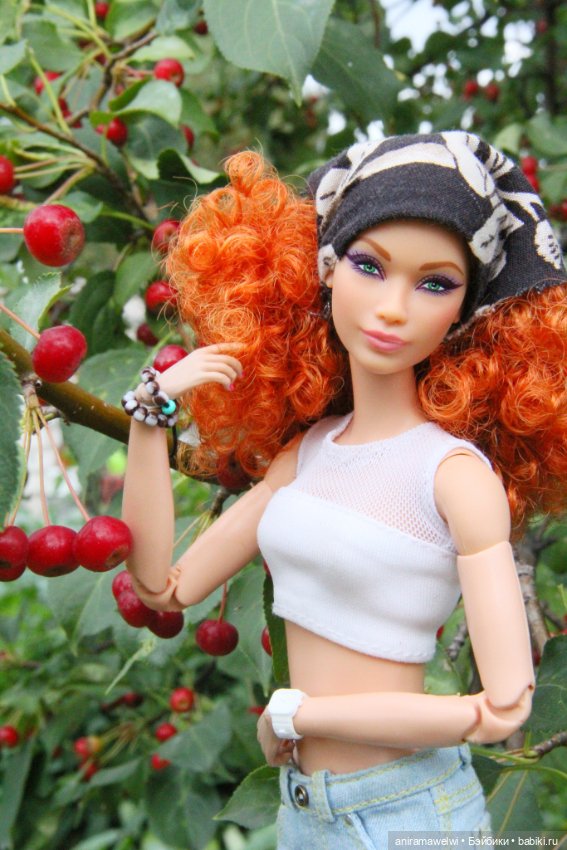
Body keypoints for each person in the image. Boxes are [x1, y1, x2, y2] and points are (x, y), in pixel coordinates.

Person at [121, 131, 567, 847]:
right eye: (369, 266)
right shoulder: (307, 454)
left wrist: (303, 714)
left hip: (413, 813)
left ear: (465, 311)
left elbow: (503, 708)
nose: (392, 307)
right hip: (304, 811)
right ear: (325, 270)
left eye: (435, 283)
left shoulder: (453, 476)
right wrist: (150, 414)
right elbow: (163, 588)